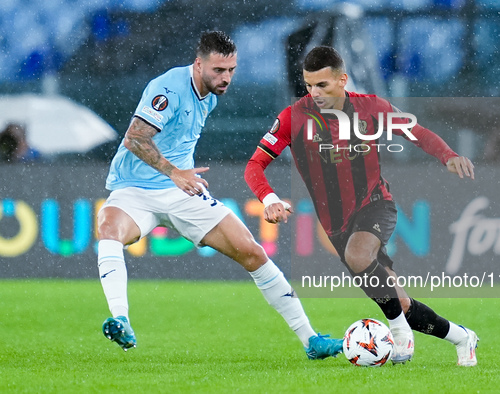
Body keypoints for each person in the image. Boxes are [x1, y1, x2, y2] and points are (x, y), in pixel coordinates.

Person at [96, 32, 342, 359]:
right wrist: (175, 172)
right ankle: (120, 319)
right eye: (218, 70)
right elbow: (134, 139)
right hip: (137, 188)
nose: (226, 78)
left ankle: (311, 341)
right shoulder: (167, 90)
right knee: (109, 230)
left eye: (231, 70)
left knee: (252, 253)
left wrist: (179, 176)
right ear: (198, 65)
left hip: (183, 190)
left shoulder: (210, 93)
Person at [244, 46, 479, 366]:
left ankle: (399, 335)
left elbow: (416, 132)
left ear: (342, 80)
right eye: (308, 85)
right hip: (336, 225)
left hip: (375, 204)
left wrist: (448, 156)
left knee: (359, 257)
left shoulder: (371, 108)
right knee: (402, 304)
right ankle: (462, 337)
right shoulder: (293, 117)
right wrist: (269, 198)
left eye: (322, 85)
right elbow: (254, 166)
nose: (314, 93)